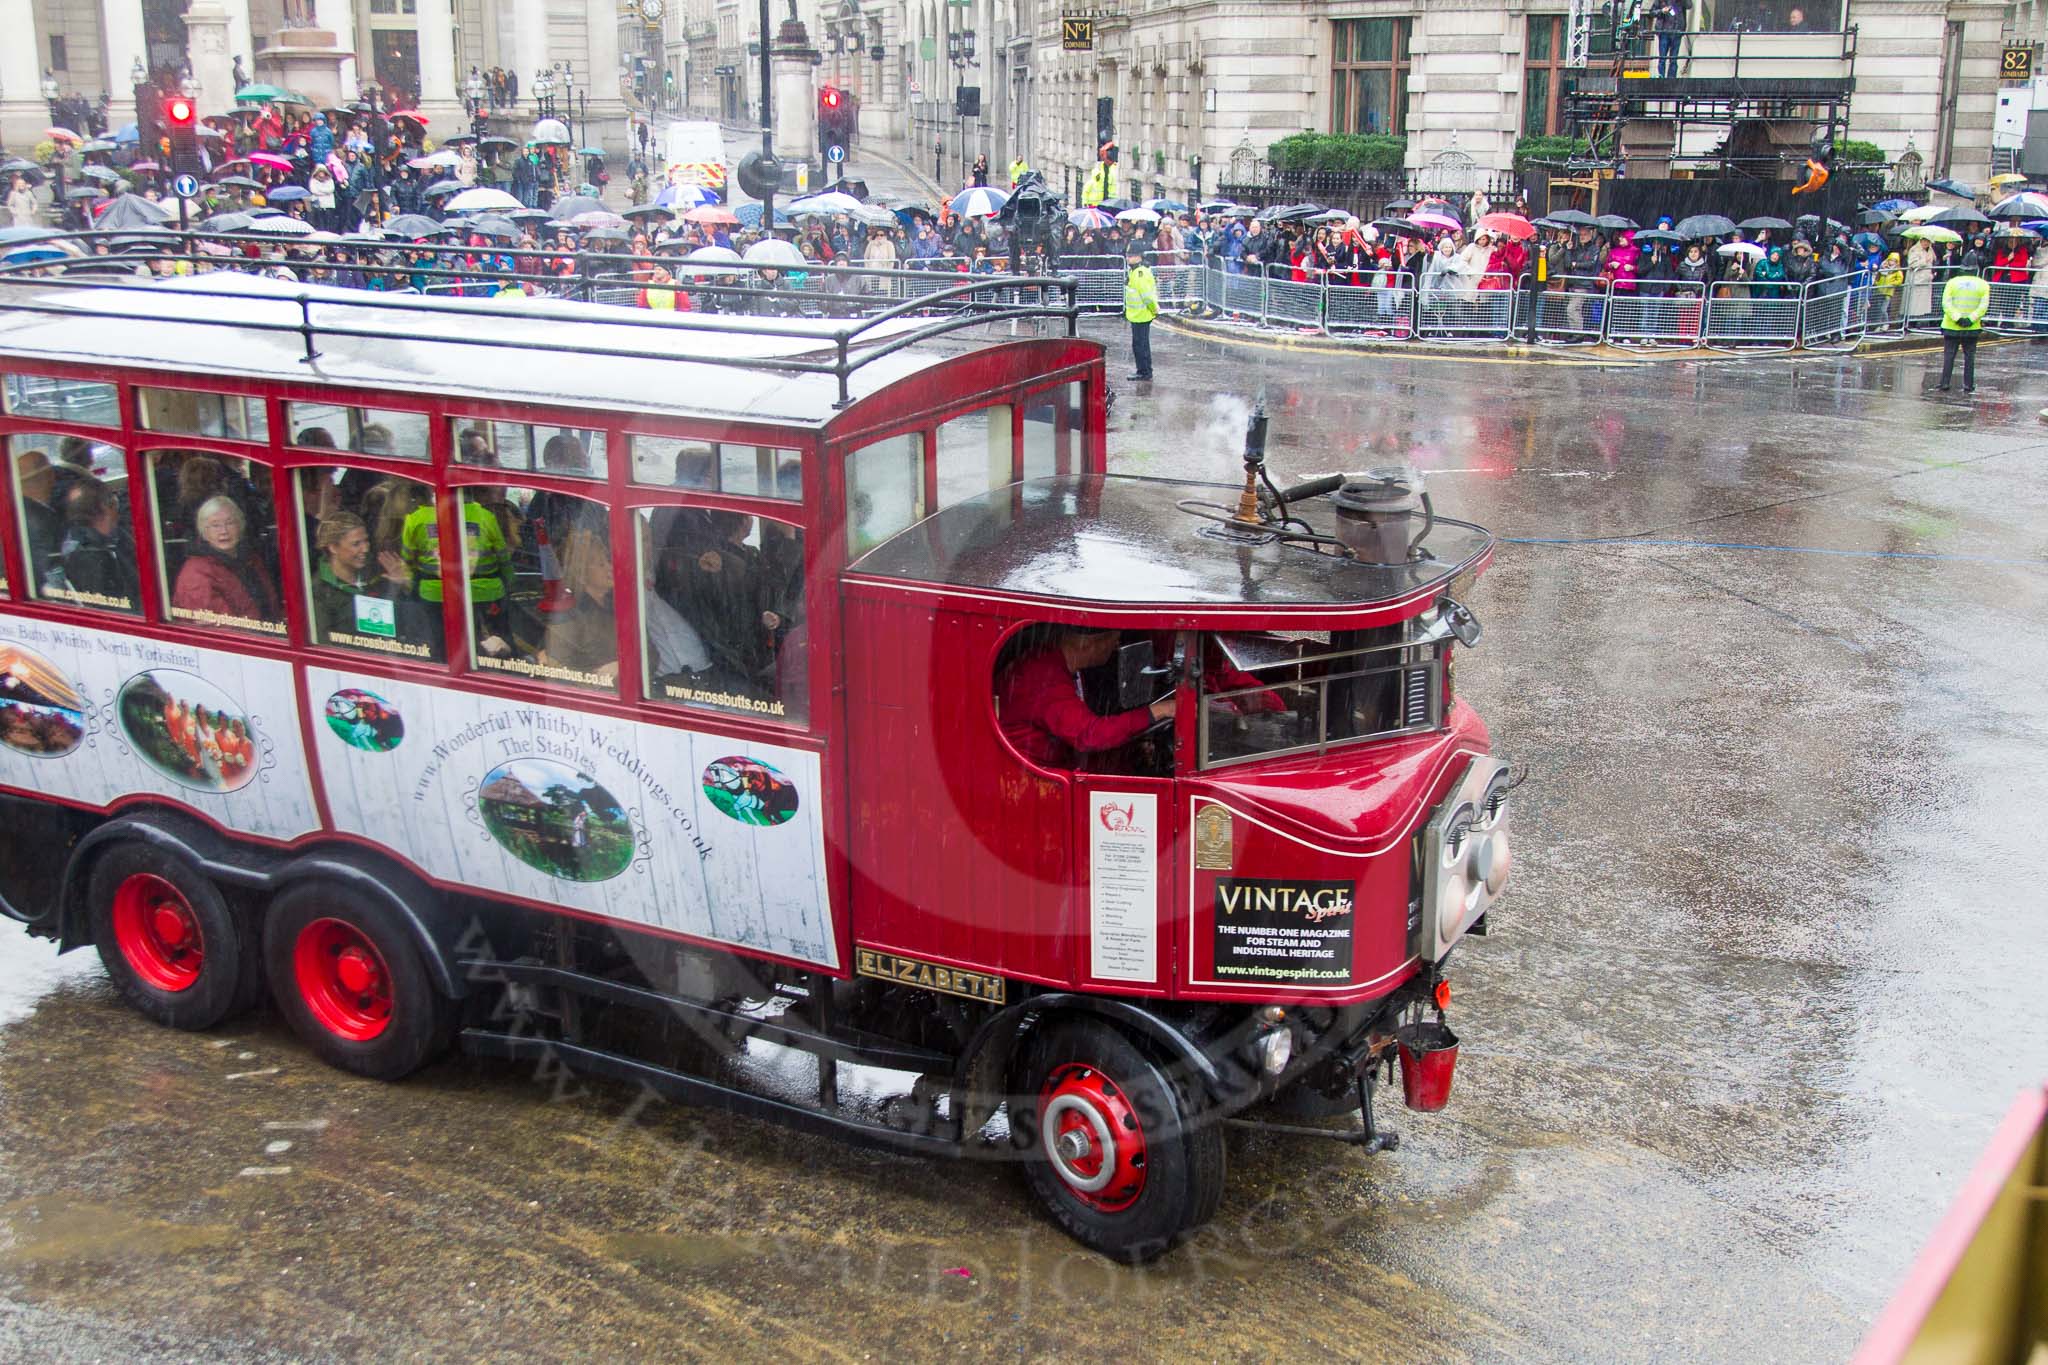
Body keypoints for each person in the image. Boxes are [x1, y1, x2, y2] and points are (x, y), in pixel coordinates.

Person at [996, 628, 1175, 768]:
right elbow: (1088, 736)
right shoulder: (1044, 679)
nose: (1115, 647)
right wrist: (1158, 711)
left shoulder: (1062, 666)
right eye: (1114, 640)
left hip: (1058, 763)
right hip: (1037, 778)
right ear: (1090, 644)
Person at [172, 495, 280, 624]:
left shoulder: (251, 560)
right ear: (204, 533)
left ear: (240, 526)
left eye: (230, 523)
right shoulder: (196, 572)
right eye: (215, 525)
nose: (224, 531)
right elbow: (224, 627)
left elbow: (273, 607)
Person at [58, 476, 139, 608]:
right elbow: (114, 607)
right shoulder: (90, 556)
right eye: (114, 499)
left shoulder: (115, 538)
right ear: (106, 507)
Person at [1936, 266, 1990, 394]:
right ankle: (1968, 385)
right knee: (1970, 357)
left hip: (1951, 326)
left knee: (1949, 356)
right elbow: (1983, 306)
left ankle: (1944, 383)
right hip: (1972, 327)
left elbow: (1946, 303)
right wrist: (1970, 319)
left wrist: (1957, 318)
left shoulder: (1952, 283)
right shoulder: (1983, 284)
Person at [1123, 250, 1159, 380]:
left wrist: (1154, 309)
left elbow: (1147, 296)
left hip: (1142, 314)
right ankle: (1143, 370)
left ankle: (1144, 372)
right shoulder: (1135, 271)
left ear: (1139, 257)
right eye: (1127, 256)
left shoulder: (1140, 273)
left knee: (1141, 345)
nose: (1128, 258)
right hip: (1137, 315)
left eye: (1131, 256)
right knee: (1139, 344)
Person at [1905, 235, 1937, 319]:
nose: (1926, 243)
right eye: (1924, 241)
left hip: (1926, 279)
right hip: (1916, 279)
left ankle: (1919, 321)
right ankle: (1910, 321)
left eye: (1928, 241)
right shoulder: (1914, 249)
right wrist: (1924, 261)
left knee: (1923, 304)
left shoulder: (1931, 250)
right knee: (1914, 304)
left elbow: (1934, 261)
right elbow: (1911, 264)